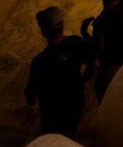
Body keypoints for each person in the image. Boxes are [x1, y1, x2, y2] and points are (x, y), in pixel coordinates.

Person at [24, 7, 90, 138]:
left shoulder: (40, 61)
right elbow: (93, 59)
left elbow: (31, 96)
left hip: (51, 115)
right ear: (62, 25)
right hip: (74, 106)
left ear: (44, 30)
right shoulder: (75, 43)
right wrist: (82, 81)